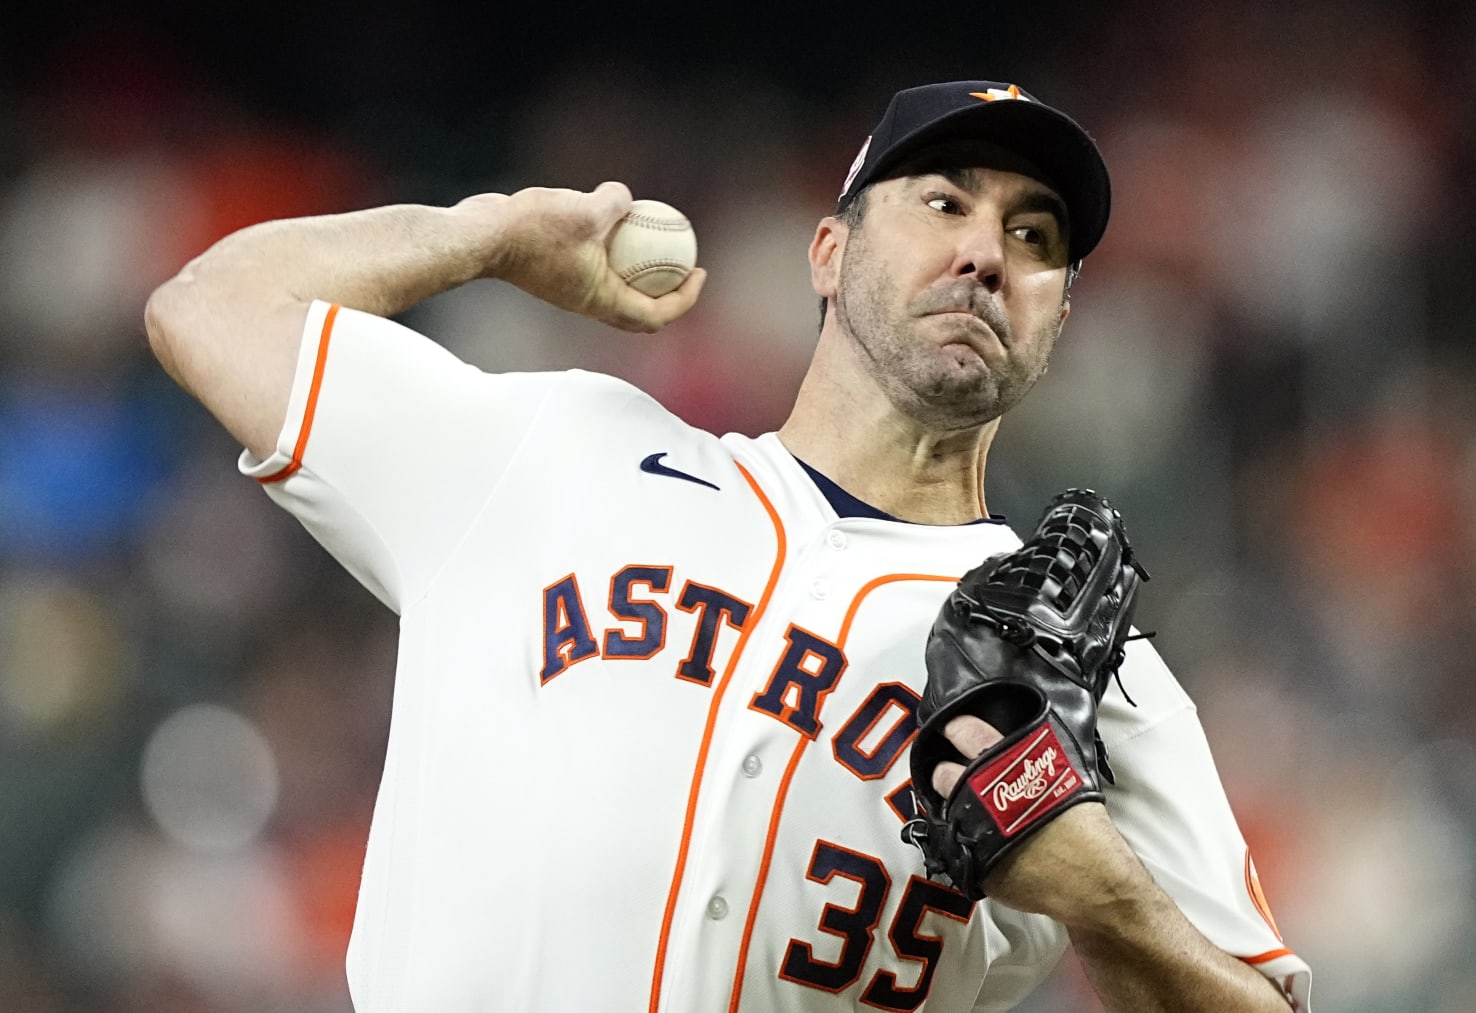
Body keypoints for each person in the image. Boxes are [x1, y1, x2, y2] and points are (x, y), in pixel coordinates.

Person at [145, 80, 1312, 1012]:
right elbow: (209, 306)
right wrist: (485, 234)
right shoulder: (556, 450)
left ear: (1058, 315)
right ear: (826, 251)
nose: (985, 251)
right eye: (943, 203)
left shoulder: (1091, 669)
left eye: (1033, 232)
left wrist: (1106, 899)